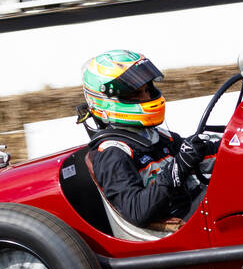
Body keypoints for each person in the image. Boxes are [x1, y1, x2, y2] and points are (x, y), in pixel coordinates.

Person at [81, 49, 218, 229]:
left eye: (147, 90)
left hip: (199, 207)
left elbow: (201, 156)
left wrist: (239, 143)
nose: (146, 97)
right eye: (136, 94)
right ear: (107, 100)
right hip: (180, 227)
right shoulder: (112, 153)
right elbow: (136, 211)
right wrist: (176, 170)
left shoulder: (158, 136)